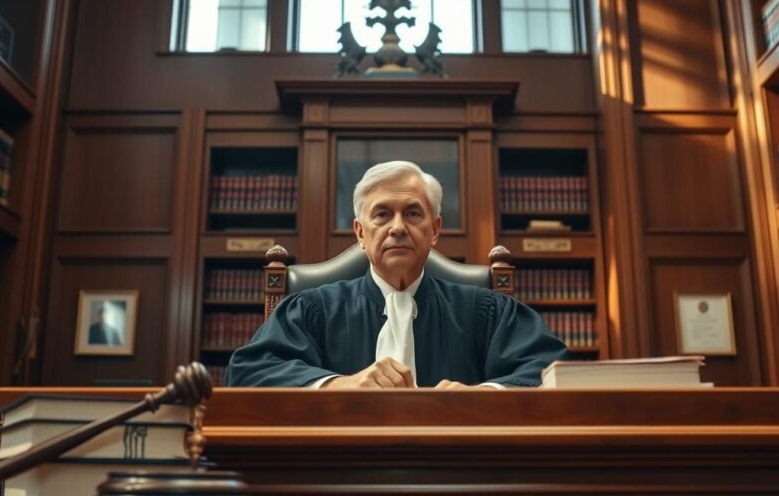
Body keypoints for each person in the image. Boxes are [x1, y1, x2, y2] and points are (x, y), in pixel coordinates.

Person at [227, 161, 569, 389]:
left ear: (434, 231)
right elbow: (246, 373)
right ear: (360, 233)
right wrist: (339, 384)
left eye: (413, 213)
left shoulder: (487, 311)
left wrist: (483, 394)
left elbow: (553, 371)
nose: (398, 228)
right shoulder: (312, 310)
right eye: (382, 215)